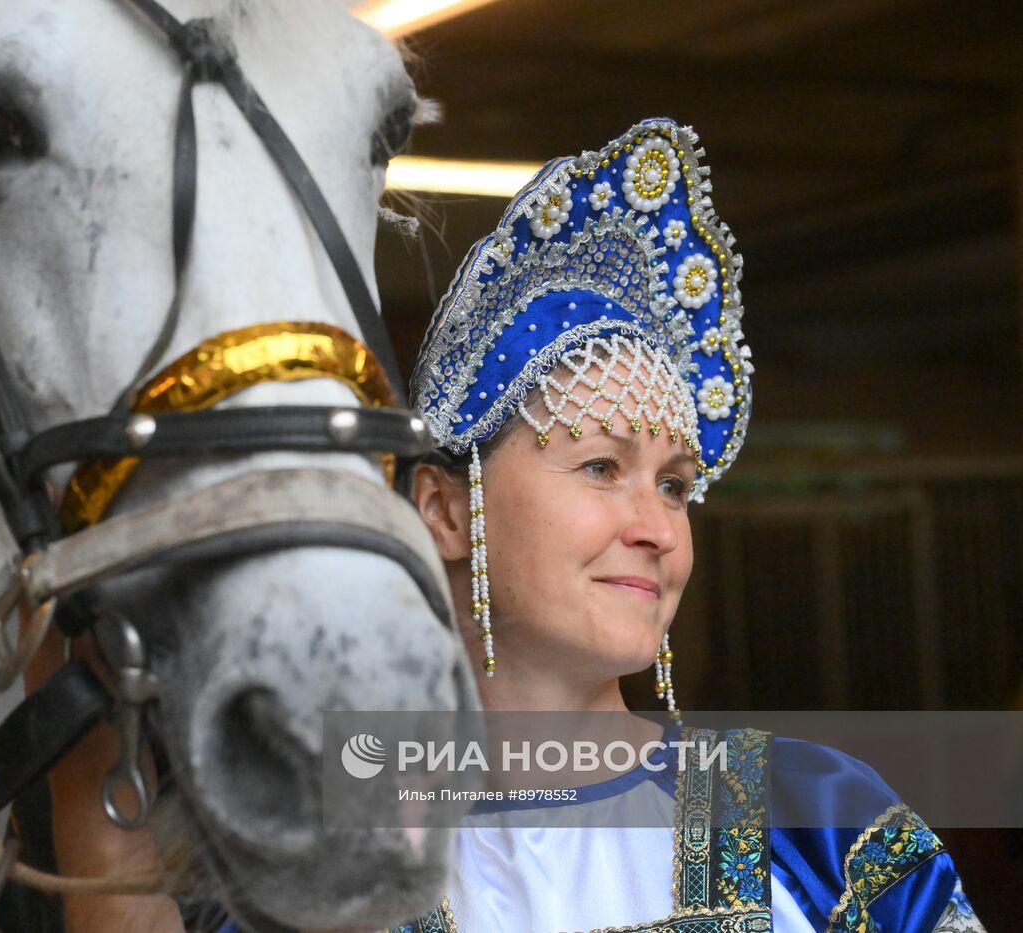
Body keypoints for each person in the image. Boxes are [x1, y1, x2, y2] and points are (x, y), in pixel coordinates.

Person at [377, 117, 986, 932]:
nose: (658, 529)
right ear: (445, 509)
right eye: (600, 466)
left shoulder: (817, 824)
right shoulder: (312, 864)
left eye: (674, 486)